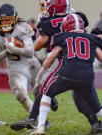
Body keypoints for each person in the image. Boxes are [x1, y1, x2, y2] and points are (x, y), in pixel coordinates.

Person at [10, 0, 102, 133]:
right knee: (79, 95)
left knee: (42, 89)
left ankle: (35, 119)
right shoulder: (78, 17)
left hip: (62, 59)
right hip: (82, 64)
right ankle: (95, 123)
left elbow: (38, 45)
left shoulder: (48, 23)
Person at [30, 13, 102, 135]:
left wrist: (44, 69)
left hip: (66, 74)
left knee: (46, 94)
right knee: (97, 108)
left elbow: (50, 58)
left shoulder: (61, 37)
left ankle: (40, 127)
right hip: (86, 77)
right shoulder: (91, 39)